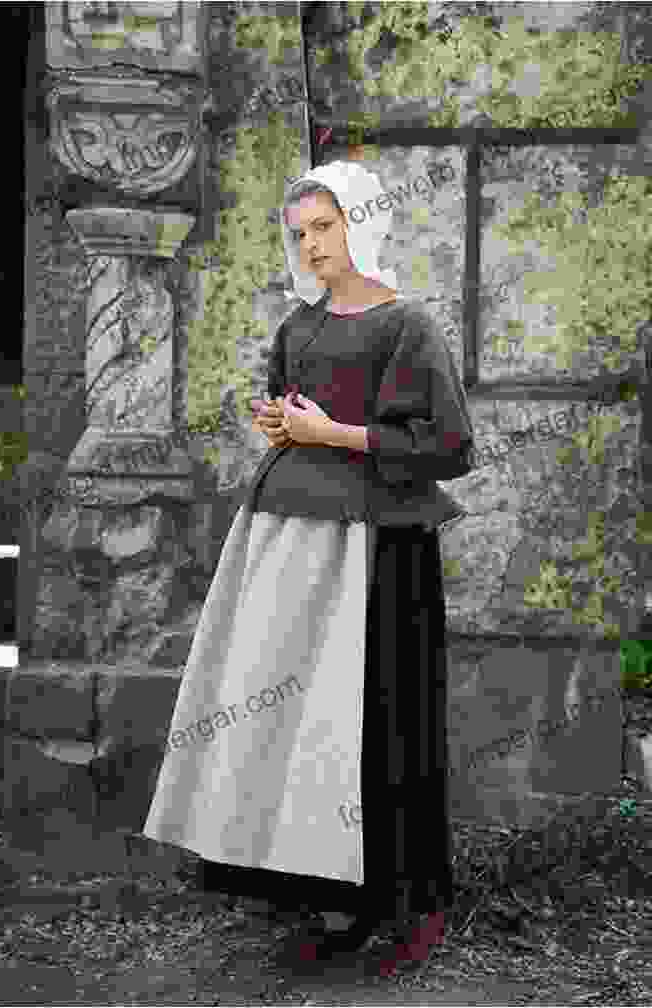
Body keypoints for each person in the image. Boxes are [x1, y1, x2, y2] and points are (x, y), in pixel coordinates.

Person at [142, 160, 475, 972]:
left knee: (380, 723)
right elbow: (296, 414)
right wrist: (283, 425)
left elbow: (451, 448)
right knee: (295, 725)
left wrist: (339, 436)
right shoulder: (297, 328)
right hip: (288, 543)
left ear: (362, 223)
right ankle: (328, 893)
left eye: (325, 227)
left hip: (379, 552)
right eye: (301, 232)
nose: (312, 244)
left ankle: (410, 901)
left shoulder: (409, 327)